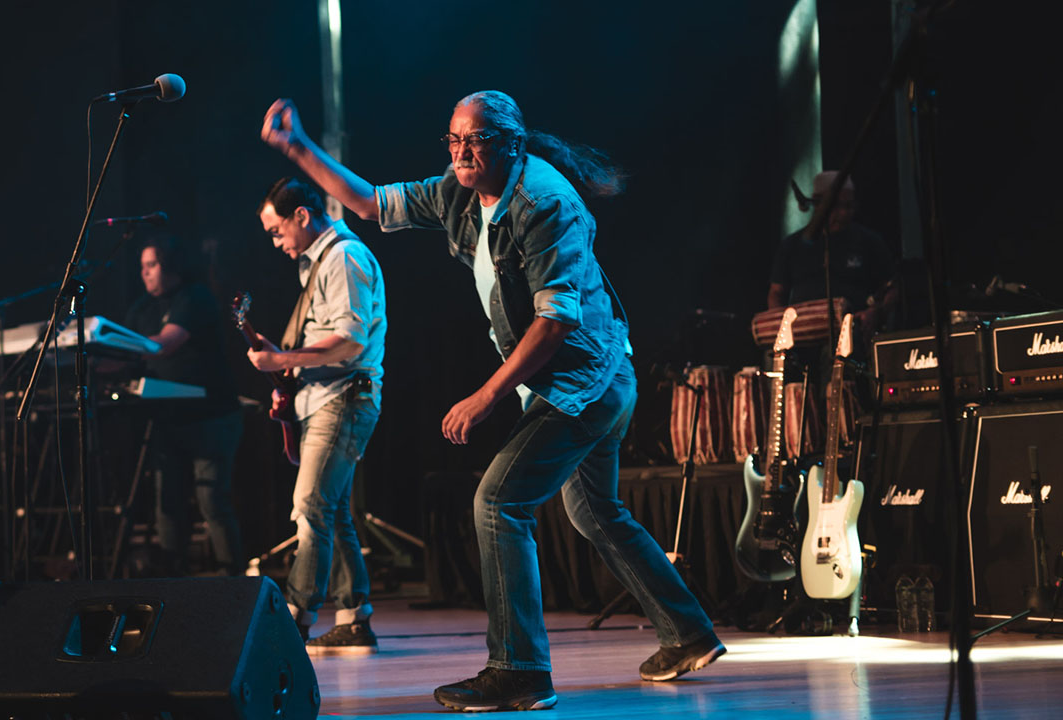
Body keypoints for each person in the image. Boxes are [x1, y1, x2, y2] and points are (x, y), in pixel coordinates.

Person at [259, 91, 722, 711]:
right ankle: (688, 632)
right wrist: (297, 147)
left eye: (474, 140)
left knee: (498, 502)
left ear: (511, 141)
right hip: (576, 384)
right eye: (452, 141)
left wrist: (486, 395)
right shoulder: (458, 188)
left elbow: (555, 321)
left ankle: (520, 671)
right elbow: (370, 204)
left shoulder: (544, 202)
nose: (461, 153)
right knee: (595, 512)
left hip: (585, 384)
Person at [246, 177, 387, 655]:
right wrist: (290, 374)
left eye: (276, 231)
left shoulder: (344, 257)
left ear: (302, 216)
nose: (276, 242)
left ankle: (294, 620)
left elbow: (349, 342)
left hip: (344, 398)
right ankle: (354, 616)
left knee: (309, 506)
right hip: (328, 397)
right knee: (333, 511)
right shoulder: (321, 262)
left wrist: (283, 362)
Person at [123, 234, 245, 576]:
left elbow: (165, 344)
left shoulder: (195, 297)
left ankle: (234, 586)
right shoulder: (142, 309)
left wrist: (113, 344)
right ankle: (172, 586)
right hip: (168, 420)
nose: (145, 273)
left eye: (152, 265)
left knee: (212, 503)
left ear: (171, 266)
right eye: (142, 267)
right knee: (168, 504)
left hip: (211, 417)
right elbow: (124, 356)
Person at [768, 171, 896, 336]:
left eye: (849, 206)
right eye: (837, 205)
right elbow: (777, 292)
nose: (843, 213)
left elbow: (891, 288)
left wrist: (875, 313)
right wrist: (782, 326)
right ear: (818, 203)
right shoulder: (792, 245)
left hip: (854, 335)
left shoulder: (869, 241)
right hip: (802, 336)